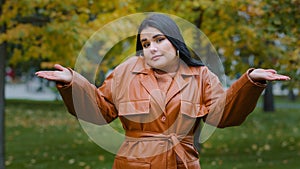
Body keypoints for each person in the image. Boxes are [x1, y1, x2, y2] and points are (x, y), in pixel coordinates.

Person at [36, 13, 290, 169]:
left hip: (183, 163)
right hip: (133, 165)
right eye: (146, 44)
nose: (152, 49)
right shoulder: (126, 71)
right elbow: (101, 110)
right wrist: (73, 82)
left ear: (175, 42)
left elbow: (222, 116)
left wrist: (250, 83)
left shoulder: (200, 75)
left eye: (159, 40)